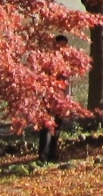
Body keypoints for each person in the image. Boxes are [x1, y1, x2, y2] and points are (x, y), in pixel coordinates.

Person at [39, 34, 70, 162]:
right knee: (47, 127)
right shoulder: (48, 61)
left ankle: (52, 153)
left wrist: (67, 100)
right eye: (60, 44)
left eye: (64, 45)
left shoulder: (66, 63)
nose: (62, 47)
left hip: (62, 99)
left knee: (57, 127)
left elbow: (67, 84)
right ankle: (43, 156)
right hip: (49, 98)